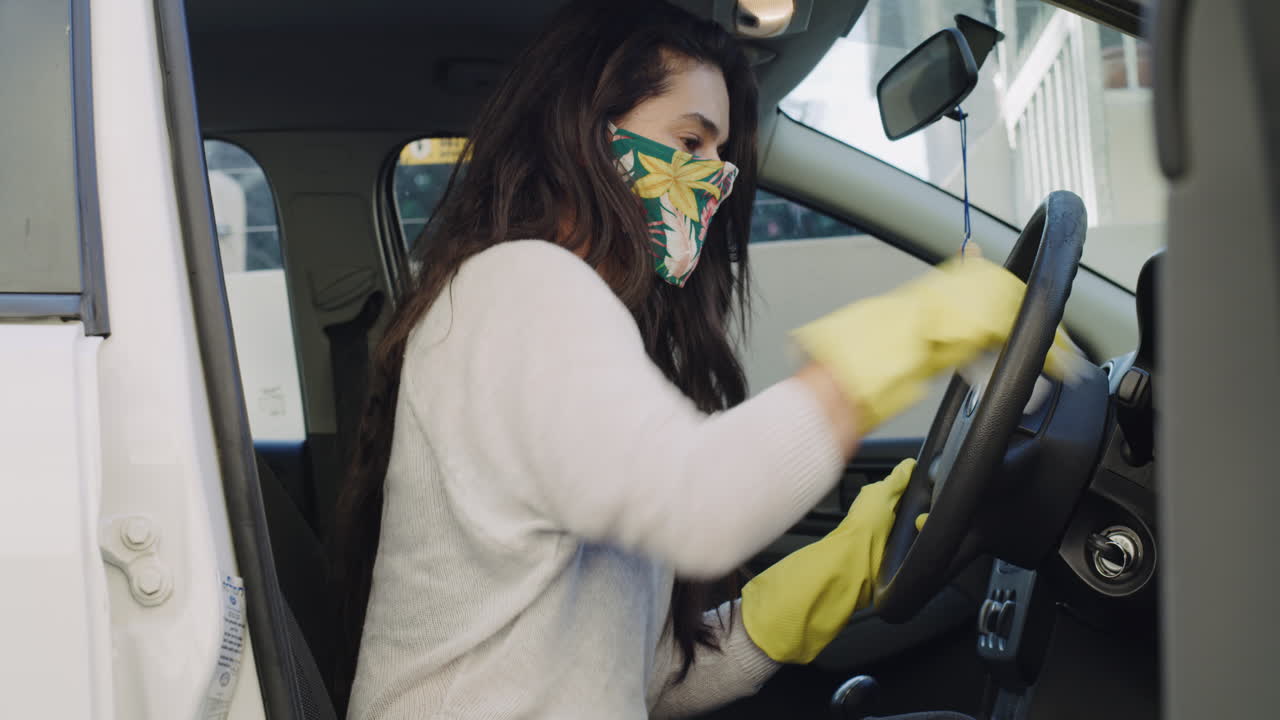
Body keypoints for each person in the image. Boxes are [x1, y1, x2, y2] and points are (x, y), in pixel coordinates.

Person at [333, 2, 1077, 718]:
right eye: (691, 143)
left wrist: (836, 572)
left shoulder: (564, 318)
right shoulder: (520, 286)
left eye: (722, 155)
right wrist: (919, 328)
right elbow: (701, 505)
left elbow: (637, 682)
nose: (717, 181)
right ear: (582, 135)